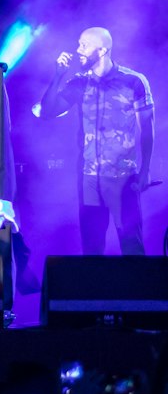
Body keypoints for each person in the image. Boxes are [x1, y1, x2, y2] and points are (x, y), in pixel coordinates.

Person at [35, 26, 154, 255]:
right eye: (79, 44)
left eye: (84, 45)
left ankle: (136, 290)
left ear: (101, 50)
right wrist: (58, 76)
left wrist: (145, 169)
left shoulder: (134, 81)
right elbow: (47, 112)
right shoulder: (79, 83)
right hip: (90, 179)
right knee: (92, 248)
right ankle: (94, 290)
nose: (78, 50)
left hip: (124, 179)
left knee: (132, 246)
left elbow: (147, 129)